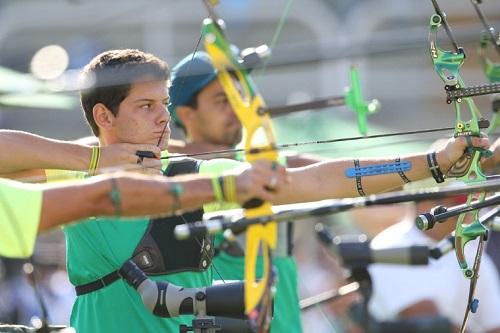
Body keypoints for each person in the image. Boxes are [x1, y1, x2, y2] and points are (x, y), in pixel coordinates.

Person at [66, 48, 486, 333]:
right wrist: (96, 158)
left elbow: (319, 179)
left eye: (164, 104)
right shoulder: (69, 179)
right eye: (146, 107)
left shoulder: (195, 178)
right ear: (103, 115)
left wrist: (434, 163)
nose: (163, 118)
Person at [368, 178, 500, 333]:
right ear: (425, 205)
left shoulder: (472, 253)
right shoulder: (389, 246)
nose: (468, 213)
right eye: (457, 204)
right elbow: (432, 325)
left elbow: (494, 325)